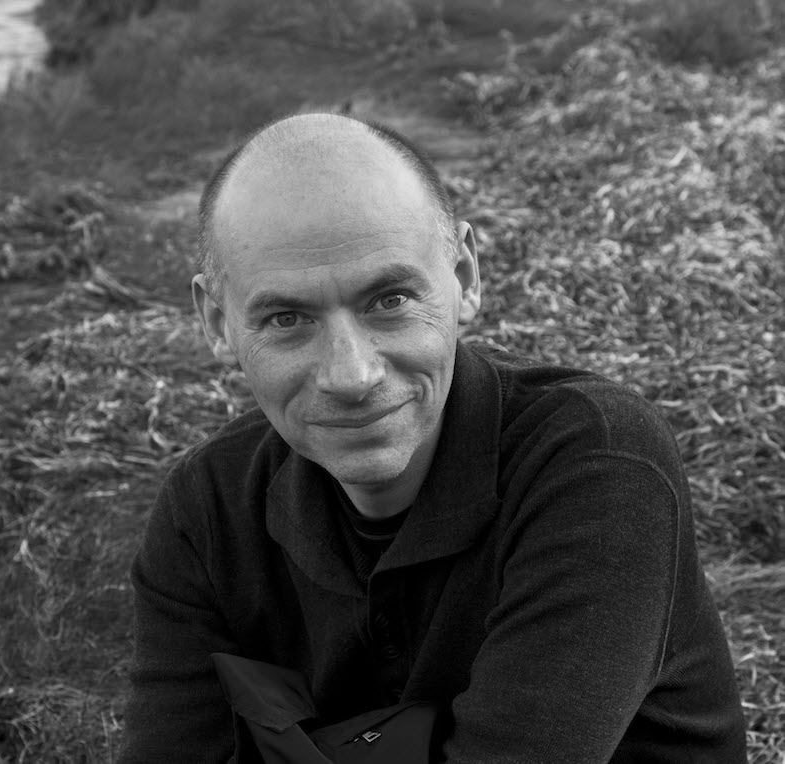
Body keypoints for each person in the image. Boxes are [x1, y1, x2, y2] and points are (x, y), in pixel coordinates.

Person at [119, 113, 746, 762]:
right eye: (286, 319)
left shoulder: (595, 467)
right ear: (217, 323)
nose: (352, 375)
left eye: (389, 300)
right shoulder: (208, 515)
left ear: (466, 278)